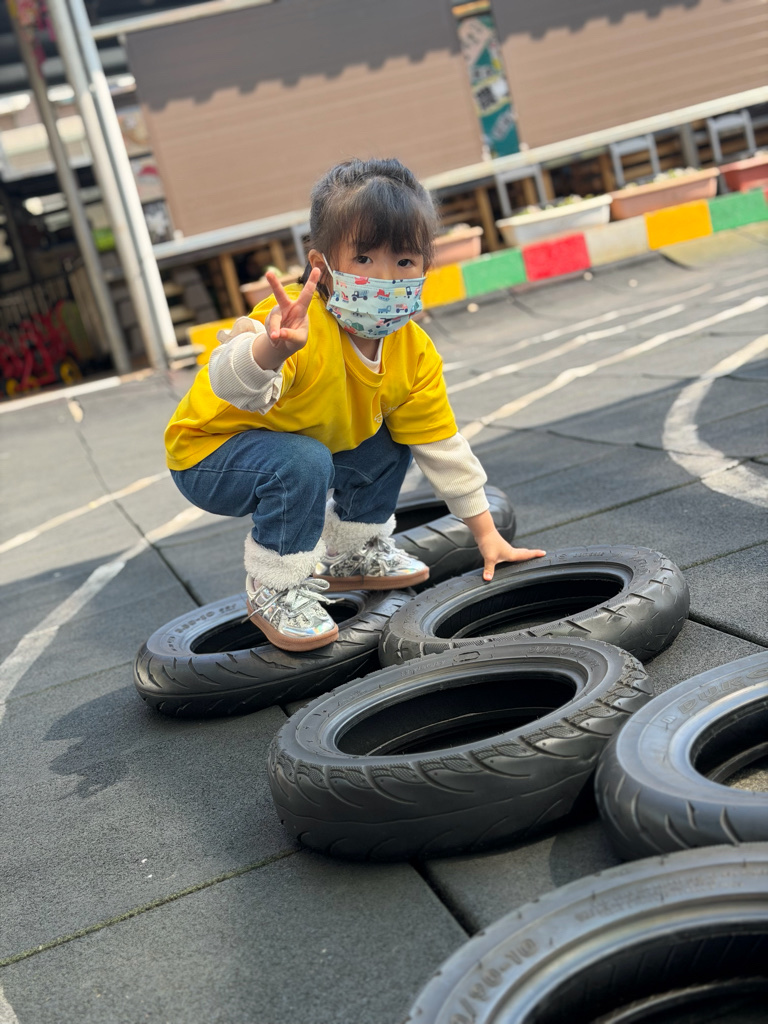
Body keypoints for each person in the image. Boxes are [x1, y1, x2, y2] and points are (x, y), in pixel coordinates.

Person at [165, 158, 545, 653]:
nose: (384, 278)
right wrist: (270, 351)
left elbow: (441, 445)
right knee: (302, 462)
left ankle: (352, 551)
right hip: (210, 455)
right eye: (364, 259)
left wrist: (488, 537)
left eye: (404, 262)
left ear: (425, 267)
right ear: (321, 265)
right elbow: (232, 383)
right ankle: (275, 586)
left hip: (297, 446)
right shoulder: (295, 324)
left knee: (394, 440)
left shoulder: (413, 352)